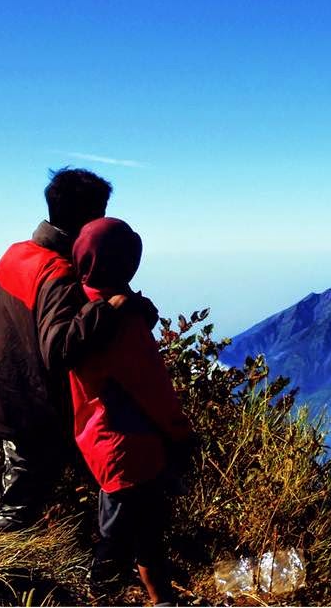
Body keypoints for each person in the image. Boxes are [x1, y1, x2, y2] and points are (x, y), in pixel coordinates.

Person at [0, 168, 157, 532]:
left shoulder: (14, 256)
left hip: (11, 397)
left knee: (23, 497)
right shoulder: (58, 273)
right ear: (87, 217)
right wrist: (112, 307)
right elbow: (59, 348)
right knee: (18, 512)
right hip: (41, 412)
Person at [69, 217, 193, 605]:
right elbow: (152, 387)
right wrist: (181, 434)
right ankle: (108, 596)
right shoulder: (124, 323)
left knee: (129, 530)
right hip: (131, 447)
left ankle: (160, 600)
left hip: (97, 438)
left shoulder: (80, 306)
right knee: (130, 536)